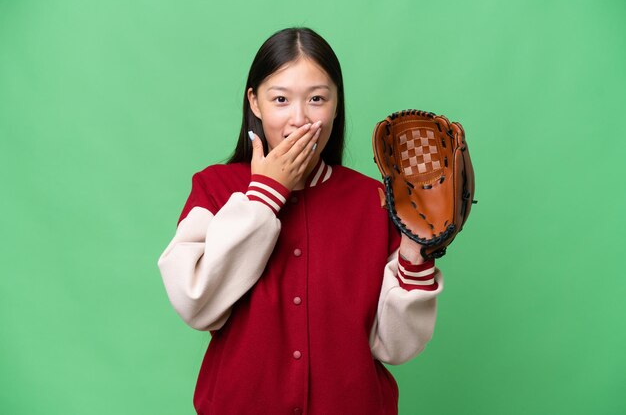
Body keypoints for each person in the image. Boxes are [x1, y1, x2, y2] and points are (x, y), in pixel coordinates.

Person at [158, 27, 443, 415]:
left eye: (316, 99)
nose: (300, 119)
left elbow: (393, 347)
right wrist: (266, 193)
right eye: (280, 99)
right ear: (254, 103)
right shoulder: (214, 187)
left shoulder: (375, 200)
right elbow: (196, 302)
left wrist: (415, 255)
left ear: (337, 104)